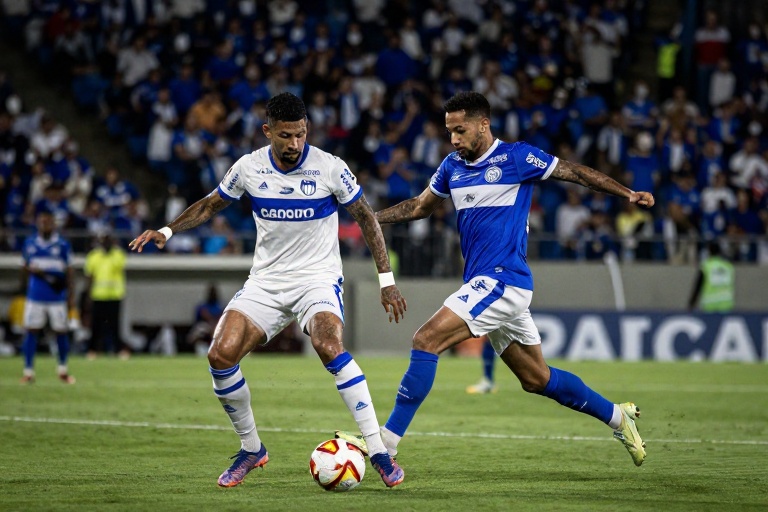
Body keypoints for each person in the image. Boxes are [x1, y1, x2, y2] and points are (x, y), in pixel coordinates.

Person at [337, 92, 655, 472]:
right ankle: (619, 418)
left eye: (460, 130)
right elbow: (419, 207)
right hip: (488, 285)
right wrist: (371, 218)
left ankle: (385, 444)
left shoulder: (517, 158)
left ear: (483, 124)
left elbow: (576, 173)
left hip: (503, 280)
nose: (453, 139)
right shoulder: (452, 166)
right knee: (537, 378)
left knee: (426, 339)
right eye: (449, 131)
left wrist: (627, 193)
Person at [129, 92, 407, 488]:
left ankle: (378, 451)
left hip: (317, 278)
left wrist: (387, 281)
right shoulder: (248, 167)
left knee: (329, 345)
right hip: (266, 281)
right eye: (285, 135)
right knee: (220, 354)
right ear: (267, 131)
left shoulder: (330, 167)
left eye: (301, 134)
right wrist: (167, 230)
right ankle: (251, 449)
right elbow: (210, 205)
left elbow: (366, 217)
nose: (295, 143)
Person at [20, 210, 76, 384]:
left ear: (53, 224)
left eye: (48, 222)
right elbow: (24, 268)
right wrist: (23, 290)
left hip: (57, 297)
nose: (45, 225)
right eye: (42, 222)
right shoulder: (29, 243)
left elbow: (69, 271)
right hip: (35, 297)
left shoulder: (62, 245)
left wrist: (71, 295)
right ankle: (28, 371)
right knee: (31, 331)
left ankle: (63, 369)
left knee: (61, 331)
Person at [84, 234, 128, 359]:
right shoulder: (93, 256)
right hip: (98, 295)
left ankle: (118, 350)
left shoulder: (118, 254)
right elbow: (90, 277)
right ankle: (92, 350)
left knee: (115, 325)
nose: (106, 244)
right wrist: (88, 295)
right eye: (103, 241)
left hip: (115, 295)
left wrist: (110, 253)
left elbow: (119, 266)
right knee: (96, 326)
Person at [687, 242, 734, 312]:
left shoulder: (705, 266)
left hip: (710, 305)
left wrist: (691, 303)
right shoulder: (728, 267)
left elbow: (698, 286)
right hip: (726, 305)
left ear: (709, 252)